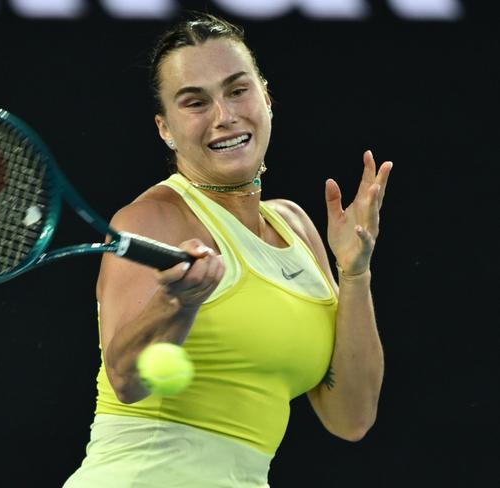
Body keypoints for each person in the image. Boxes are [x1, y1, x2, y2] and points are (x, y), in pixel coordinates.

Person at [64, 12, 392, 488]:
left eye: (238, 90)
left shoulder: (296, 226)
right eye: (195, 102)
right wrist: (178, 301)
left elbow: (351, 418)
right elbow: (127, 380)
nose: (225, 116)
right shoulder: (151, 220)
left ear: (266, 97)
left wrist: (355, 273)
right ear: (166, 129)